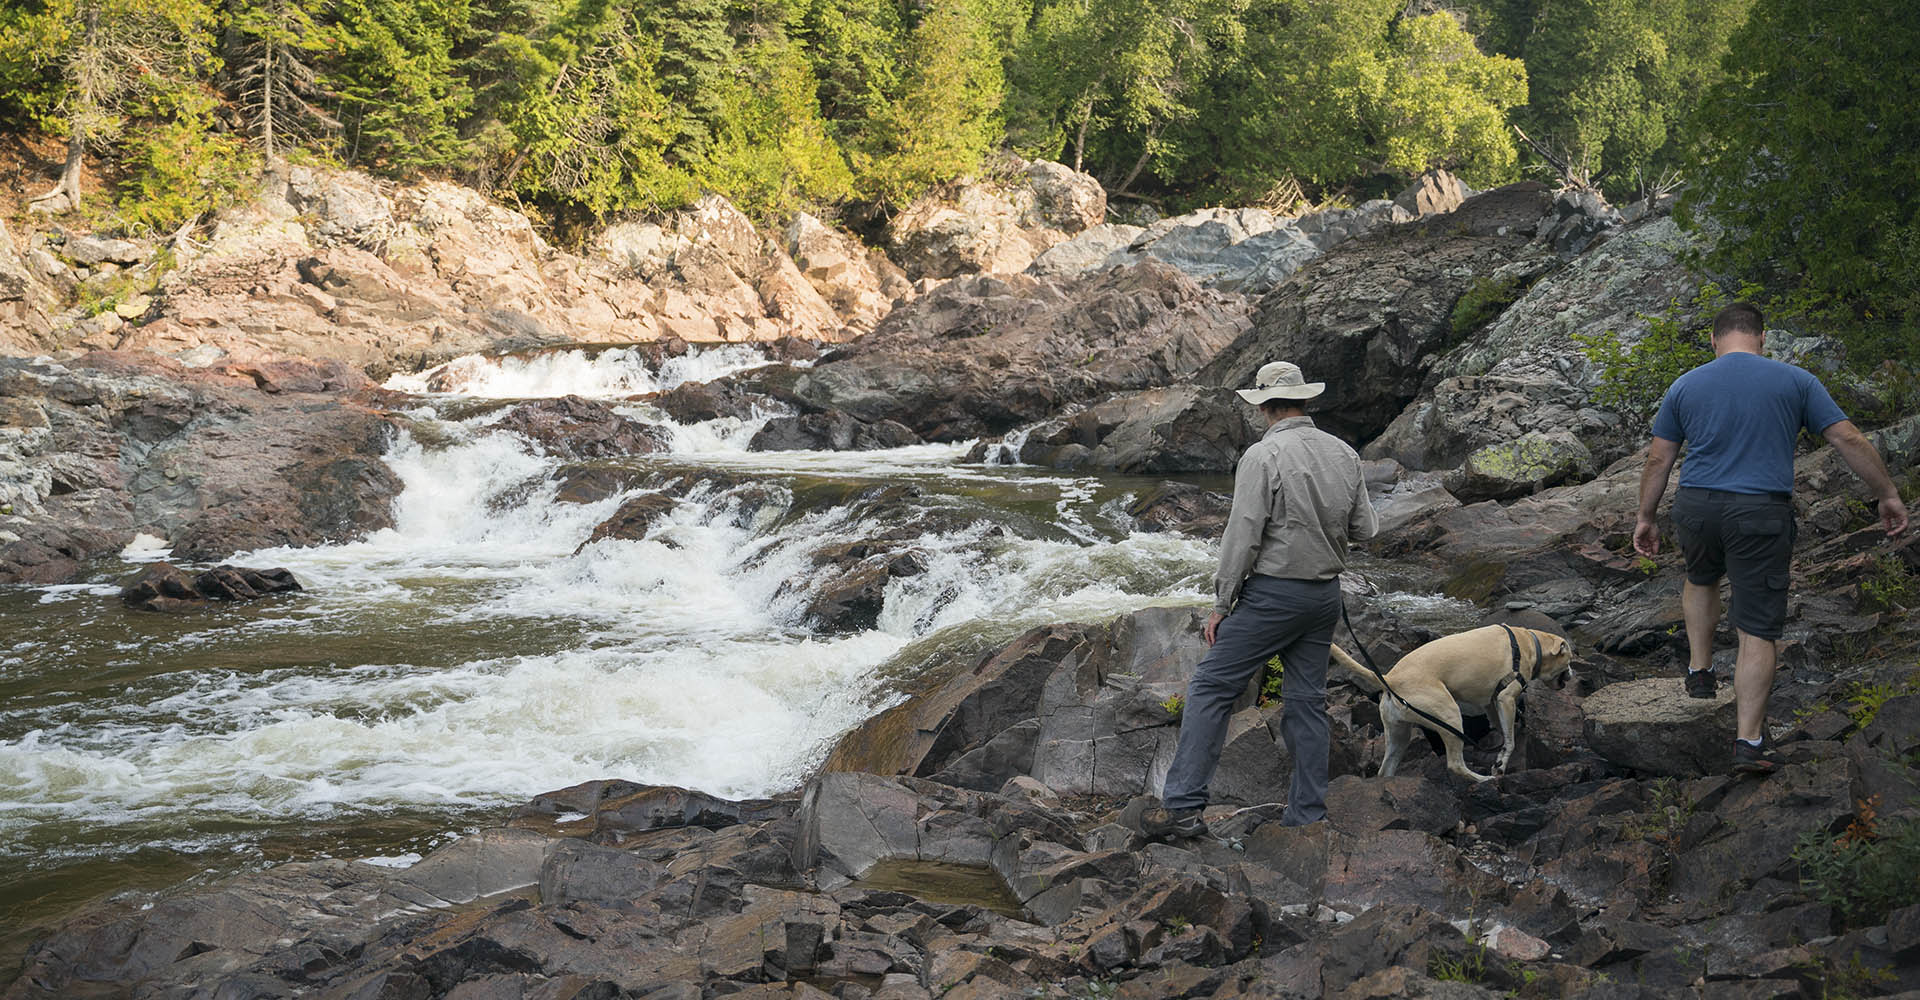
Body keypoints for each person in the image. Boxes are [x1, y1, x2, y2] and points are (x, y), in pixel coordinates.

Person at [1633, 302, 1908, 776]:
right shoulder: (1796, 381)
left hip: (1696, 506)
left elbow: (1659, 460)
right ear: (1762, 339)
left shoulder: (1685, 385)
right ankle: (1749, 743)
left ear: (1714, 341)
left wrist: (1645, 516)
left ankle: (1700, 672)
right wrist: (1887, 493)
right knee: (1757, 627)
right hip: (1759, 510)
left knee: (1701, 578)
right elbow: (1847, 439)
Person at [1148, 360, 1378, 838]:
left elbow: (1242, 537)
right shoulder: (1345, 454)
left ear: (1265, 407)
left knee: (1211, 687)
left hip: (1273, 595)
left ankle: (1184, 809)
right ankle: (1307, 816)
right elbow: (1366, 529)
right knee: (1307, 702)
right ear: (1303, 401)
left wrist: (1222, 603)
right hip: (1323, 598)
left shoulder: (1262, 456)